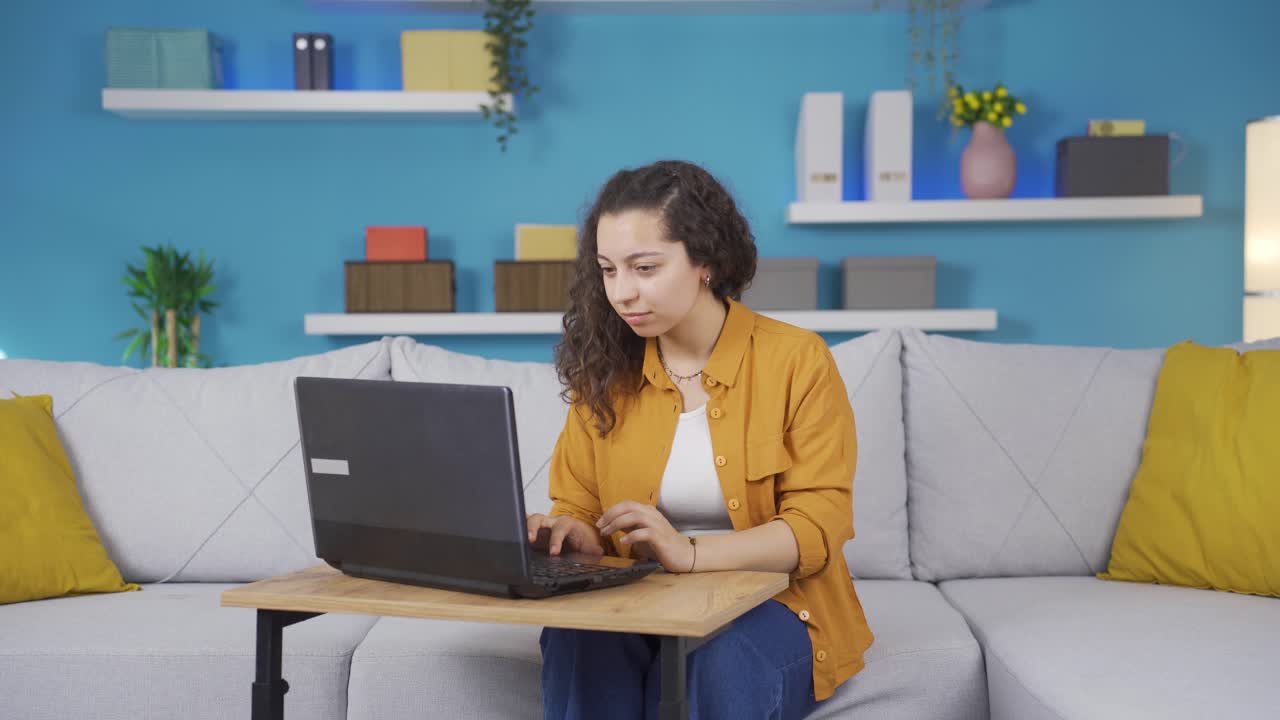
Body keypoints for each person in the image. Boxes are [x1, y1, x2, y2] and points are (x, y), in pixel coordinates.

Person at [527, 159, 874, 720]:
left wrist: (688, 553)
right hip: (637, 598)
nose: (622, 292)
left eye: (644, 267)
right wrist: (574, 534)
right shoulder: (605, 371)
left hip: (772, 601)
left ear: (705, 261)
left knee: (724, 660)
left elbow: (816, 529)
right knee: (577, 639)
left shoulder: (797, 360)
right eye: (608, 270)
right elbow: (579, 505)